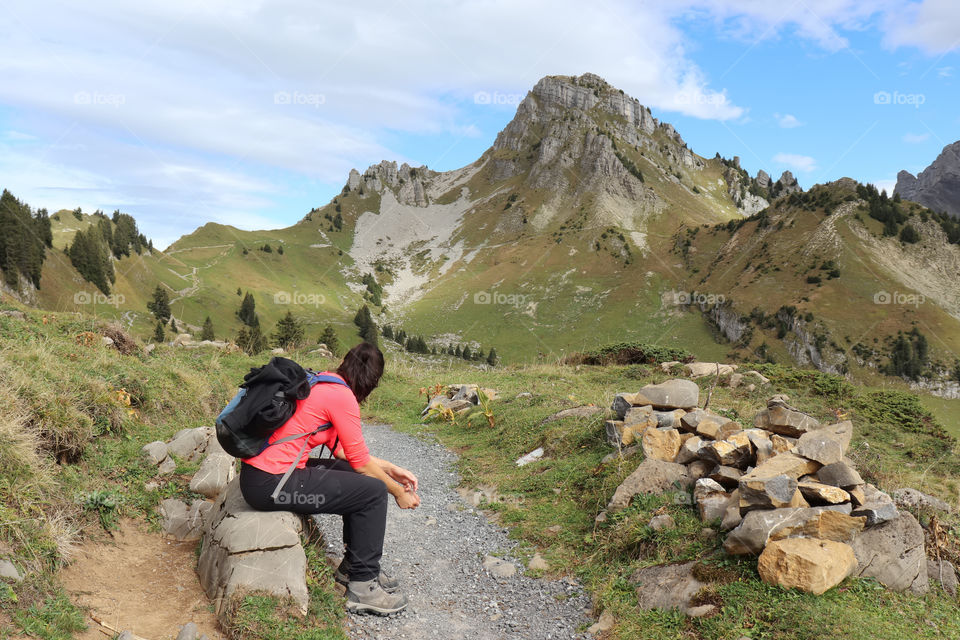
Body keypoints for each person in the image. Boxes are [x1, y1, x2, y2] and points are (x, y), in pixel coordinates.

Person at [239, 342, 420, 615]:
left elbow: (342, 452)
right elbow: (361, 462)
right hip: (272, 485)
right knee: (372, 492)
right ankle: (363, 587)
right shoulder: (342, 397)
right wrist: (398, 491)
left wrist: (391, 468)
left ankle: (352, 567)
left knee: (352, 474)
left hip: (261, 477)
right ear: (371, 381)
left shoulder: (325, 382)